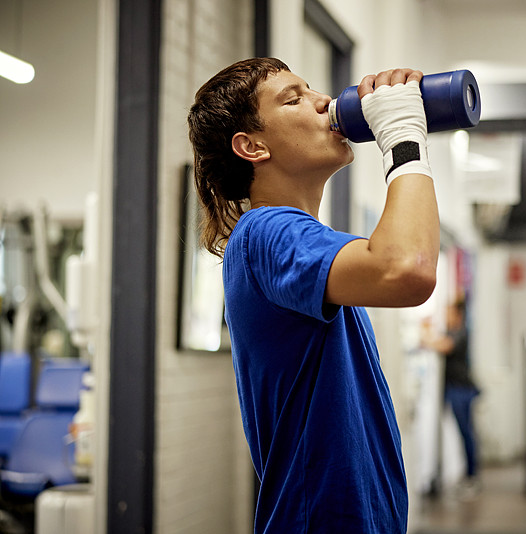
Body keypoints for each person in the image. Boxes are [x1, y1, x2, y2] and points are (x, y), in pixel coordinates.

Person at [187, 58, 440, 534]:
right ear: (252, 146)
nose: (324, 101)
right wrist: (404, 139)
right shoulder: (265, 231)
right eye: (294, 97)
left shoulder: (306, 244)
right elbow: (407, 269)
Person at [423, 298, 480, 496]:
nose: (445, 316)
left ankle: (472, 477)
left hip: (461, 389)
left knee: (466, 432)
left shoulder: (461, 332)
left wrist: (425, 331)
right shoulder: (450, 331)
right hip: (453, 388)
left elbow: (443, 346)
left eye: (448, 312)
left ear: (457, 314)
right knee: (460, 432)